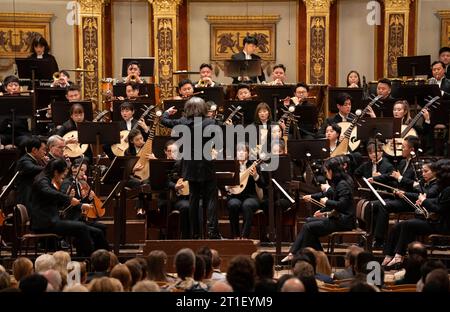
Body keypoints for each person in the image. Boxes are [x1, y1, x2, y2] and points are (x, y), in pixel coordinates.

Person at [161, 97, 220, 239]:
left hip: (190, 165)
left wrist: (166, 113)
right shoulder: (210, 122)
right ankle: (212, 231)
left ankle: (195, 233)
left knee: (193, 198)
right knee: (211, 198)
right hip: (206, 163)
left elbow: (164, 121)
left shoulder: (183, 122)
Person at [30, 158, 109, 257]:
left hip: (50, 219)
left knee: (85, 229)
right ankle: (91, 259)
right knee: (81, 227)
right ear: (55, 172)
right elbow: (49, 192)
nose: (63, 177)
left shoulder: (45, 179)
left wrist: (68, 197)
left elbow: (53, 201)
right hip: (45, 223)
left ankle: (94, 257)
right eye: (62, 174)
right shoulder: (42, 180)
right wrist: (68, 198)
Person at [282, 157, 355, 261]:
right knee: (308, 222)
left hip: (344, 221)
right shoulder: (338, 182)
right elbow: (326, 193)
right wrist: (317, 203)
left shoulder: (343, 184)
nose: (325, 174)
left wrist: (325, 202)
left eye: (326, 171)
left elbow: (342, 205)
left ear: (331, 171)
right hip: (338, 218)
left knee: (309, 227)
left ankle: (299, 255)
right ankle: (316, 257)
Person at [381, 159, 450, 269]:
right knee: (397, 226)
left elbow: (439, 209)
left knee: (408, 224)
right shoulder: (445, 187)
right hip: (436, 222)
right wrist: (423, 200)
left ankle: (399, 256)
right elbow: (437, 201)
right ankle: (389, 255)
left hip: (442, 225)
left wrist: (424, 201)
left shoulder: (448, 189)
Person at [225, 143, 266, 239]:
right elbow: (224, 184)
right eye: (239, 151)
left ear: (248, 153)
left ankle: (244, 237)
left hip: (250, 196)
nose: (241, 153)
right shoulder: (231, 166)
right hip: (235, 196)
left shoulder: (254, 166)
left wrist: (255, 175)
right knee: (233, 204)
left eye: (244, 151)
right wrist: (228, 186)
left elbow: (262, 184)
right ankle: (235, 235)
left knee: (247, 205)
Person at [15, 136, 47, 213]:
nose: (45, 152)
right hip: (27, 199)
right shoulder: (25, 160)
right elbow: (31, 167)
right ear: (34, 150)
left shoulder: (34, 160)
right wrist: (49, 167)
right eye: (43, 149)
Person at [0, 75, 31, 148]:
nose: (14, 88)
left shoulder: (25, 100)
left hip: (20, 135)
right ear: (5, 88)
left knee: (28, 141)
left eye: (16, 85)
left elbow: (22, 123)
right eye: (10, 86)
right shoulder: (1, 100)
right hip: (4, 134)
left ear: (20, 87)